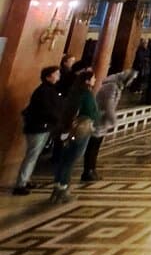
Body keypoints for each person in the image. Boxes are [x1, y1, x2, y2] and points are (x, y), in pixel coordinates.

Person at [12, 65, 62, 195]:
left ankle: (26, 179)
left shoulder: (49, 90)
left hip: (43, 126)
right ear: (48, 77)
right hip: (38, 126)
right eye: (56, 73)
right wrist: (57, 119)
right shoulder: (44, 91)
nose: (58, 75)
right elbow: (47, 109)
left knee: (34, 154)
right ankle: (20, 184)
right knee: (32, 155)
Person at [50, 68, 98, 203]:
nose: (95, 80)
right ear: (87, 81)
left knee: (63, 160)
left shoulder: (74, 93)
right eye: (93, 78)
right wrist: (98, 116)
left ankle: (56, 189)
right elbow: (91, 113)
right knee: (69, 161)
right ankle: (63, 189)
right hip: (80, 130)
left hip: (67, 129)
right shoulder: (86, 95)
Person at [83, 69, 133, 181]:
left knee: (95, 147)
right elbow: (108, 105)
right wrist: (113, 120)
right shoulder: (111, 86)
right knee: (93, 147)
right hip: (98, 119)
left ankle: (91, 170)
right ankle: (88, 171)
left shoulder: (115, 86)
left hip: (101, 119)